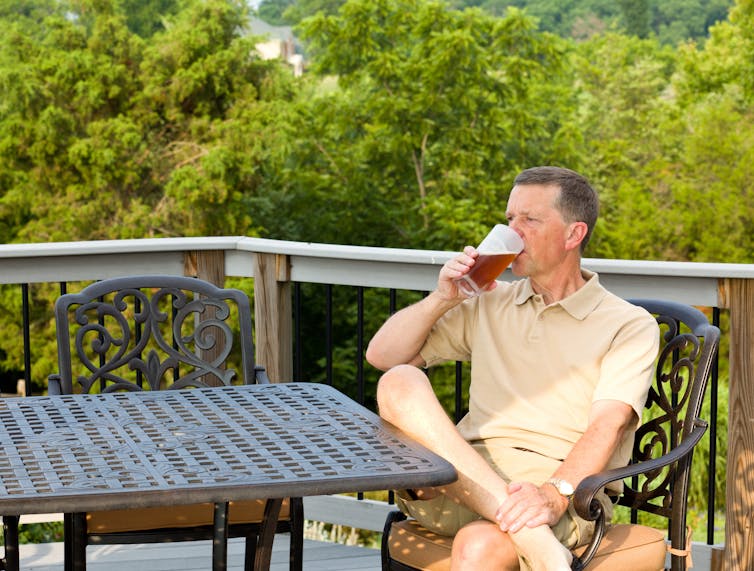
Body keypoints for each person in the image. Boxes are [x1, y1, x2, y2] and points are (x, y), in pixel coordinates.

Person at [365, 166, 660, 570]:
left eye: (530, 220)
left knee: (479, 547)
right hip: (460, 482)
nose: (512, 232)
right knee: (399, 380)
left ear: (574, 234)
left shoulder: (627, 325)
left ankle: (531, 534)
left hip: (561, 494)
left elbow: (605, 427)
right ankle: (537, 546)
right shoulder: (489, 301)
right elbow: (383, 357)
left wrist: (554, 495)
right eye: (509, 220)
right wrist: (442, 298)